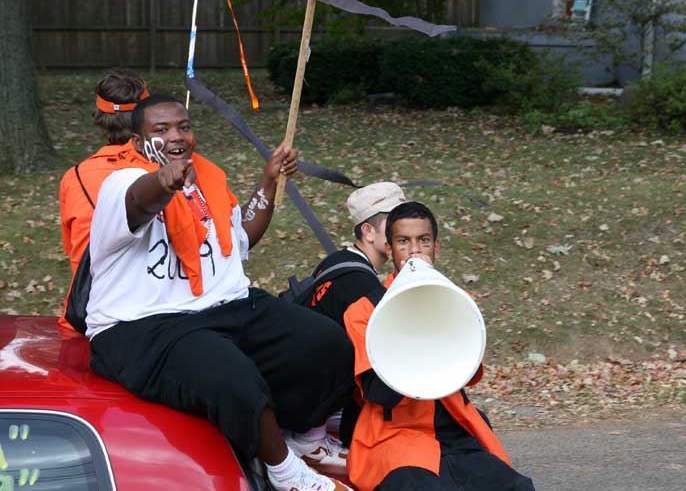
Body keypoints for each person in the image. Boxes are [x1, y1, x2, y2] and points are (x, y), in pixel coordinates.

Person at [85, 94, 353, 491]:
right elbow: (139, 201)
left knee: (326, 343)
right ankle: (286, 474)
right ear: (140, 142)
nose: (176, 136)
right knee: (232, 376)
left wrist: (269, 180)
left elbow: (241, 237)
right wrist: (163, 180)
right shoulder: (121, 183)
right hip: (142, 324)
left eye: (184, 127)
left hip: (223, 305)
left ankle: (306, 440)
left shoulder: (207, 179)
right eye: (161, 130)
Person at [343, 202, 535, 491]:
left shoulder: (456, 300)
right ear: (389, 248)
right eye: (403, 242)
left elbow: (466, 373)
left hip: (455, 437)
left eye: (424, 241)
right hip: (395, 441)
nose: (415, 251)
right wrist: (407, 315)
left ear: (437, 247)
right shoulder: (363, 311)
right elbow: (379, 393)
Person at [58, 68, 148, 330]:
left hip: (85, 314)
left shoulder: (73, 178)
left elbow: (72, 248)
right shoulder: (164, 176)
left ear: (100, 118)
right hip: (149, 313)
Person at [302, 182, 406, 327]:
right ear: (368, 232)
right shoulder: (362, 287)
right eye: (395, 222)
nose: (406, 229)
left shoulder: (339, 259)